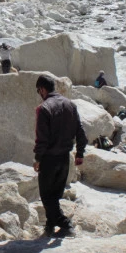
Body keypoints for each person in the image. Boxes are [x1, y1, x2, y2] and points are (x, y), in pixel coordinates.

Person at [33, 75, 86, 238]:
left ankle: (65, 224)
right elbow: (81, 132)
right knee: (55, 195)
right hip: (65, 158)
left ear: (42, 89)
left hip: (49, 159)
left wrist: (38, 159)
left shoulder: (44, 109)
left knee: (46, 196)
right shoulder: (71, 105)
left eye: (38, 91)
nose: (39, 94)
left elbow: (42, 138)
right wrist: (80, 153)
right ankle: (50, 227)